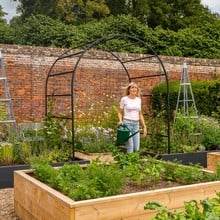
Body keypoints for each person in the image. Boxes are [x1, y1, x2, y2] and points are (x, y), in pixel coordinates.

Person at [118, 82, 147, 153]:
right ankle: (129, 163)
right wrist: (120, 120)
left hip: (136, 125)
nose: (134, 89)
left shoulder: (138, 100)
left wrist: (144, 127)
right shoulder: (124, 99)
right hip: (127, 124)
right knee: (130, 146)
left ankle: (130, 161)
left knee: (136, 148)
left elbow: (140, 114)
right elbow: (119, 112)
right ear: (129, 90)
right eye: (132, 87)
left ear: (137, 90)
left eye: (135, 88)